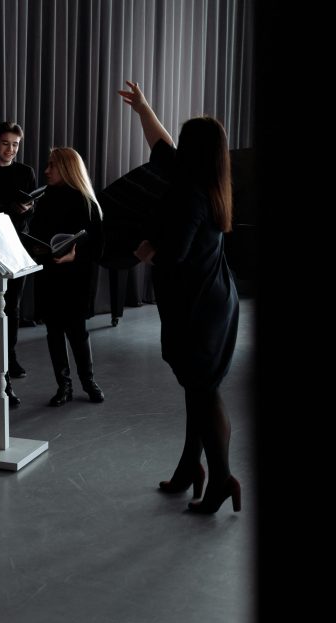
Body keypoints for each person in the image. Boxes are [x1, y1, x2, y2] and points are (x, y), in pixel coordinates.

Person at [120, 80, 241, 514]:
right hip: (212, 300)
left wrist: (145, 251)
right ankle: (192, 467)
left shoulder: (189, 194)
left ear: (192, 151)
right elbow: (161, 143)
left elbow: (175, 254)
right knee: (197, 390)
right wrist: (143, 109)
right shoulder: (206, 180)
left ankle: (222, 479)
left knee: (204, 393)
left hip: (197, 309)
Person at [29, 147, 105, 407]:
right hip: (50, 274)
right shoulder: (46, 199)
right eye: (48, 165)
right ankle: (64, 386)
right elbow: (37, 236)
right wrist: (38, 248)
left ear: (68, 168)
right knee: (53, 332)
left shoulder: (87, 202)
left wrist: (76, 256)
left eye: (52, 165)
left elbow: (98, 248)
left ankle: (88, 381)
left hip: (77, 278)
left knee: (77, 331)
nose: (46, 170)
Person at [0, 121, 37, 383]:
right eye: (5, 143)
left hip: (18, 245)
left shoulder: (26, 172)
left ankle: (9, 358)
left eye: (15, 144)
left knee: (12, 306)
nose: (11, 149)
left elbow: (33, 209)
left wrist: (28, 209)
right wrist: (11, 210)